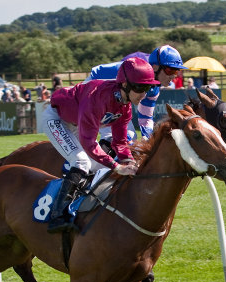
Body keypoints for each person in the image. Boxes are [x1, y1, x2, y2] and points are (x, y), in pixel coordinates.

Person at [43, 57, 160, 233]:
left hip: (76, 122)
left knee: (97, 166)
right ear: (124, 85)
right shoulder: (97, 98)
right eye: (139, 87)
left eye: (148, 88)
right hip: (57, 119)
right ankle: (57, 216)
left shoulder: (125, 107)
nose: (144, 94)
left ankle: (80, 203)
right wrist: (116, 166)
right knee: (81, 161)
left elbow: (120, 142)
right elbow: (88, 142)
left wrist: (128, 161)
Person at [87, 45, 187, 144]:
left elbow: (146, 117)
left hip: (107, 99)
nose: (174, 75)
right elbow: (112, 111)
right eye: (170, 70)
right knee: (123, 141)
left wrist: (147, 138)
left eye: (176, 71)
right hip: (91, 91)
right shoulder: (137, 75)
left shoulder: (154, 89)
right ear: (155, 67)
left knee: (131, 138)